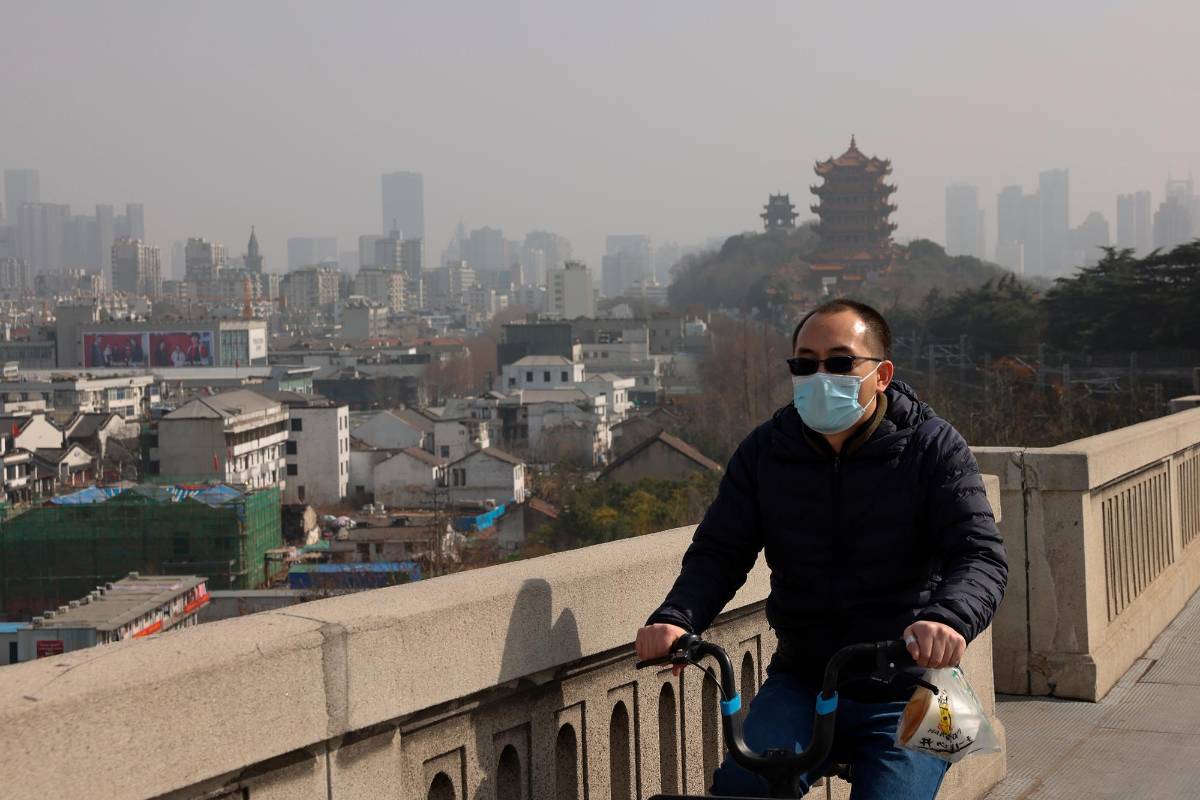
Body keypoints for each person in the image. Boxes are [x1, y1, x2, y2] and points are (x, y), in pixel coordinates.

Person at [635, 299, 1007, 799]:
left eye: (839, 362)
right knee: (741, 787)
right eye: (804, 364)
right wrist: (678, 615)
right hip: (803, 678)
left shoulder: (932, 447)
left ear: (882, 374)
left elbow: (979, 554)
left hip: (908, 683)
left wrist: (949, 618)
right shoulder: (766, 451)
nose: (819, 375)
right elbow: (719, 552)